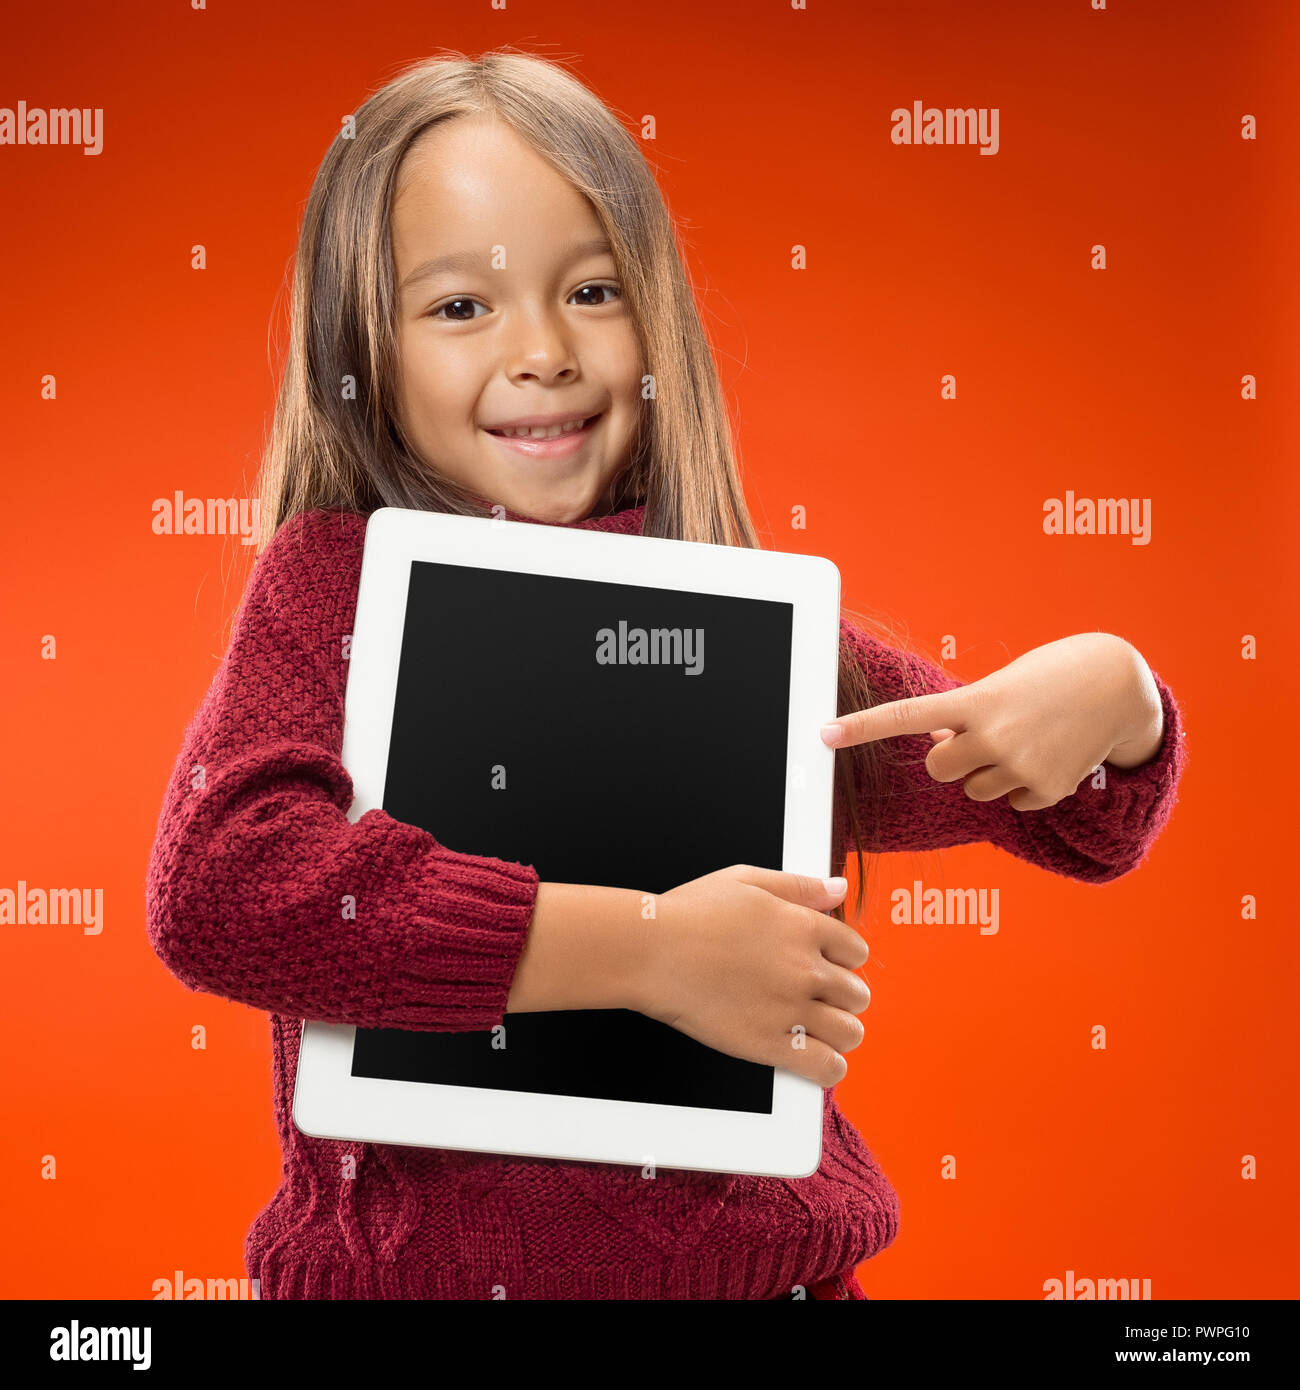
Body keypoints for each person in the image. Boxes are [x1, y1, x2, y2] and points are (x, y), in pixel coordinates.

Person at [145, 49, 1187, 1301]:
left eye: (591, 290)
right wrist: (647, 949)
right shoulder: (334, 589)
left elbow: (1061, 802)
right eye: (460, 307)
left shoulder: (731, 611)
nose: (543, 352)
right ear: (360, 351)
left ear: (657, 318)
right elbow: (223, 888)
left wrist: (1113, 694)